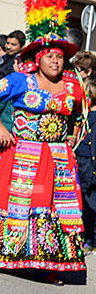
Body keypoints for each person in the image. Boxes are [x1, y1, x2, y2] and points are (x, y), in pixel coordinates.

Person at [0, 0, 86, 283]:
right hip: (24, 154)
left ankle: (53, 264)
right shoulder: (20, 81)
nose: (56, 60)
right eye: (50, 55)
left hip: (59, 157)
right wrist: (0, 129)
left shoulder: (73, 87)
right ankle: (13, 255)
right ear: (38, 59)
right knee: (23, 205)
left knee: (57, 206)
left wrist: (71, 143)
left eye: (60, 56)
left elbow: (78, 117)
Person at [75, 79, 96, 253]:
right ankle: (86, 237)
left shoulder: (89, 117)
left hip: (88, 163)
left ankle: (89, 238)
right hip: (83, 161)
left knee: (89, 201)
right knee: (84, 200)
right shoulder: (83, 116)